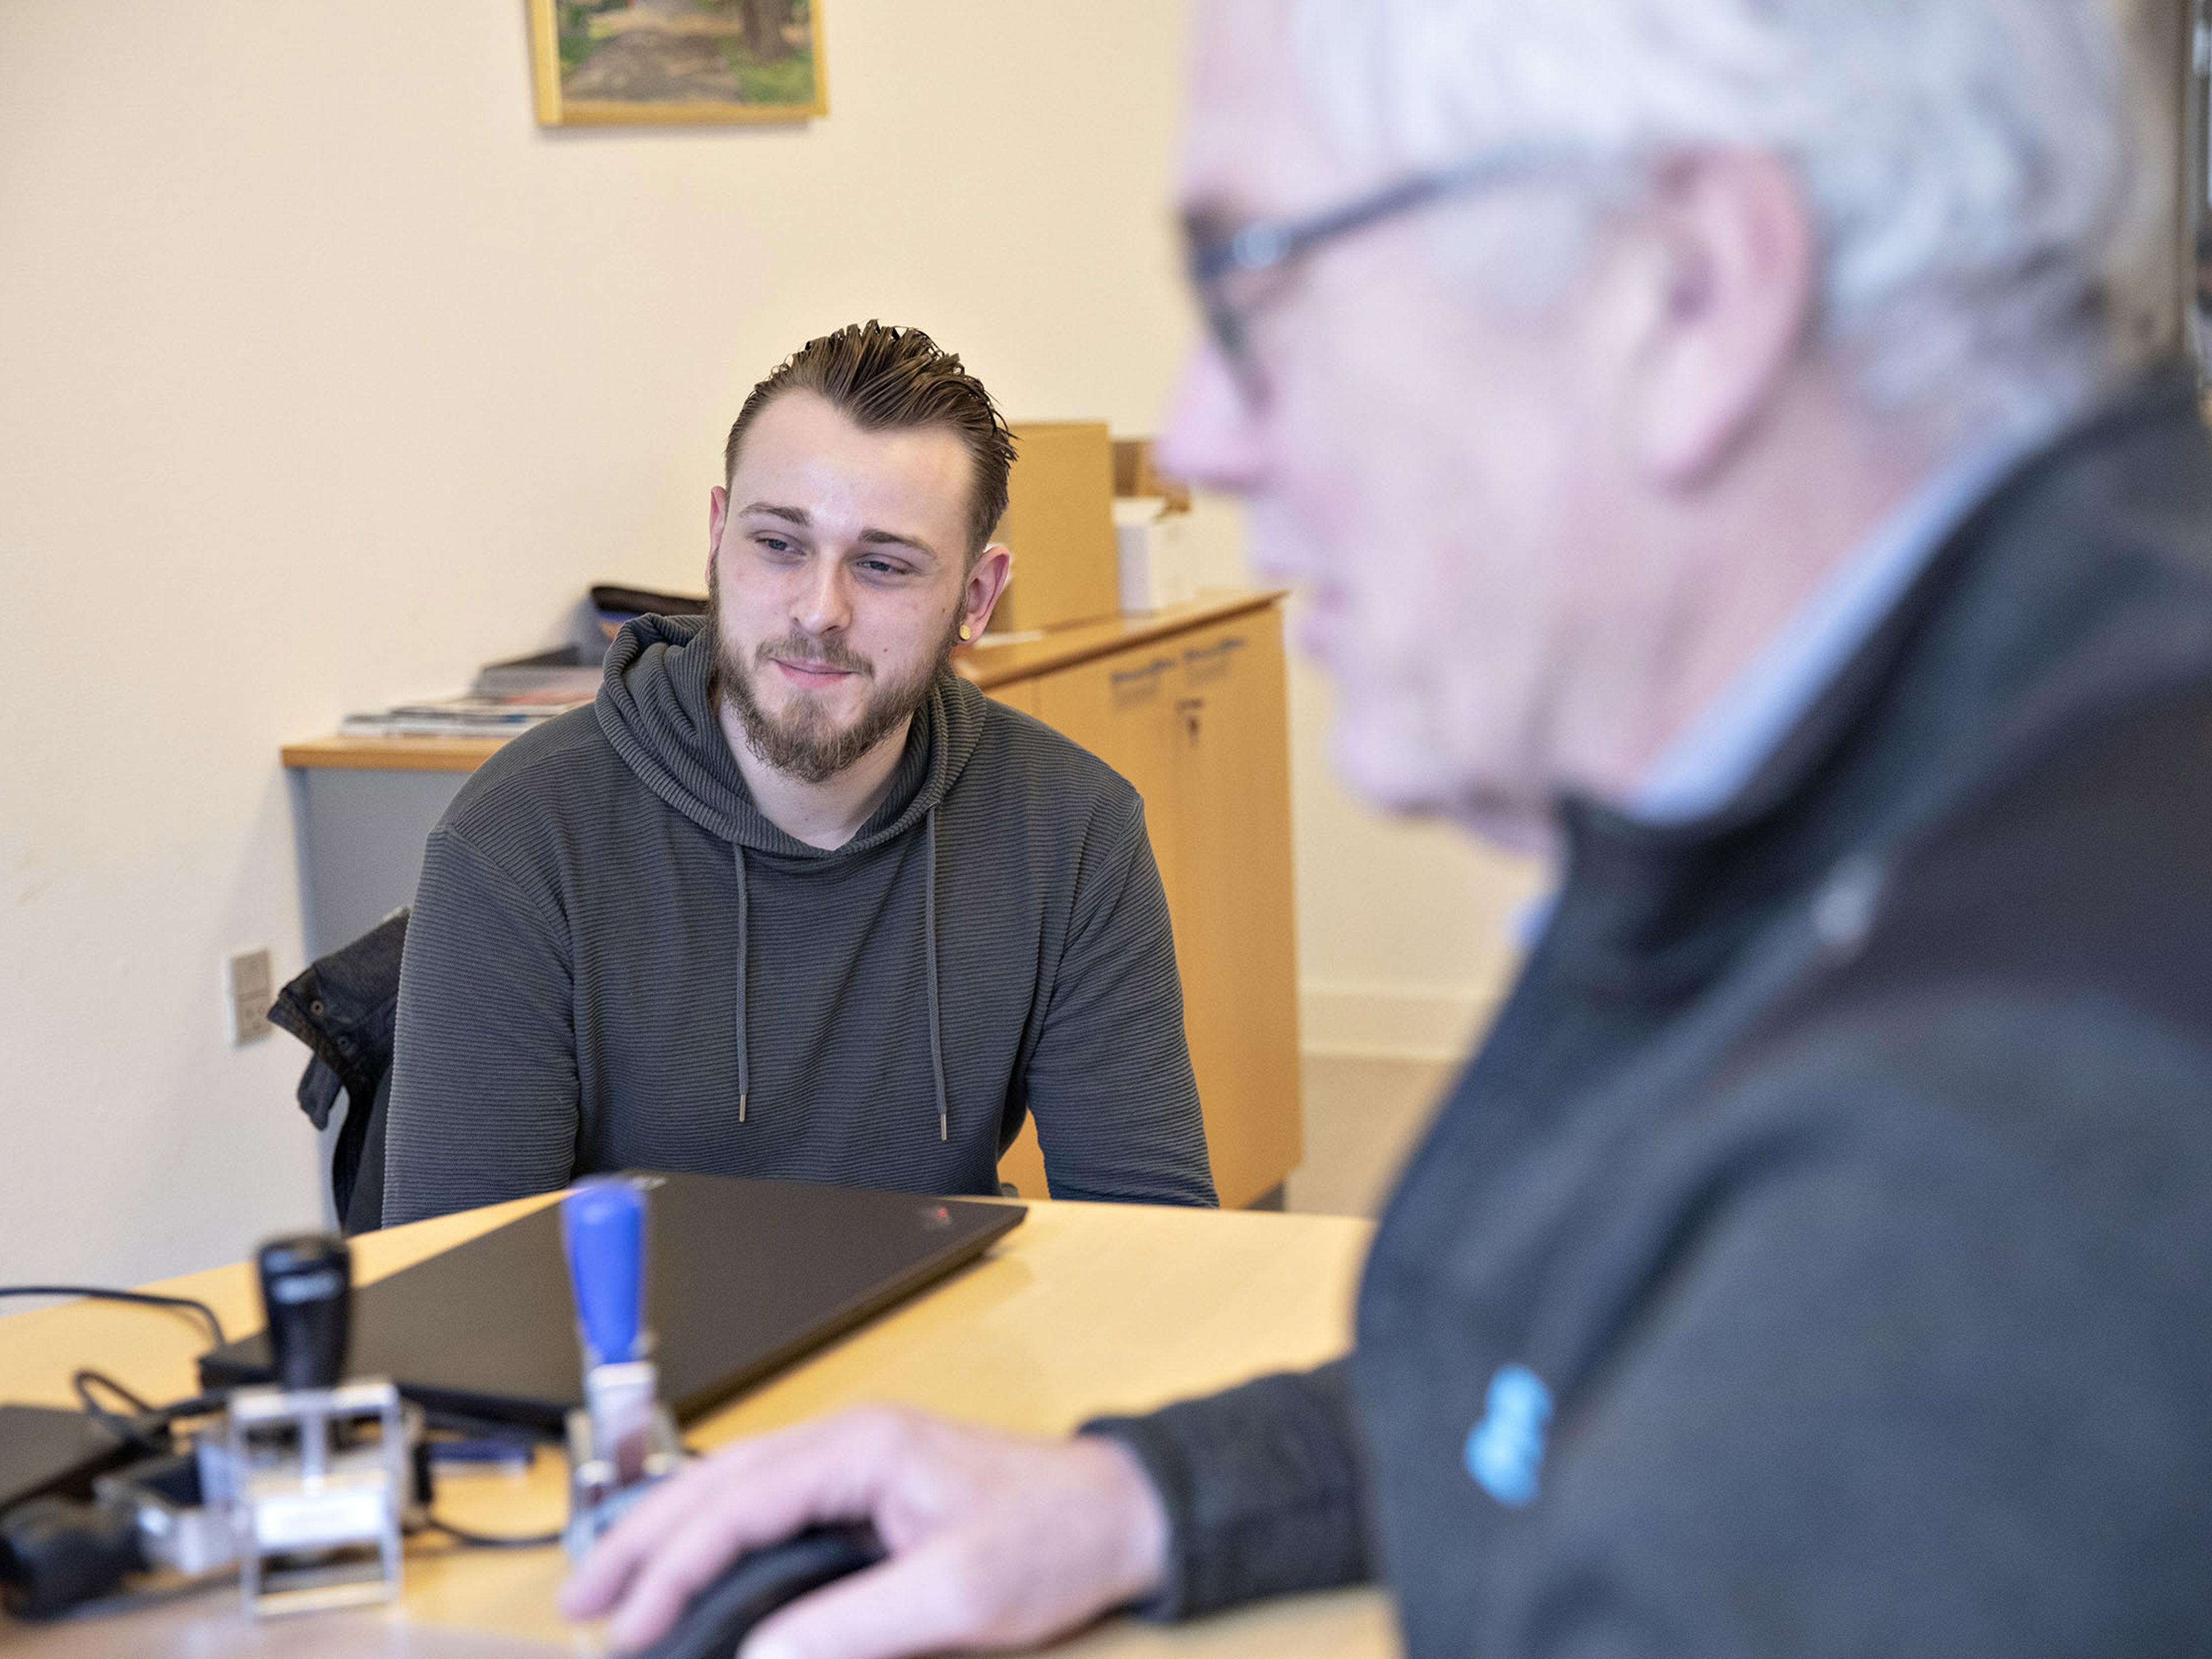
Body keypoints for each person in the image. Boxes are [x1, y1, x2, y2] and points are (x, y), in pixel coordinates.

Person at [562, 1, 2212, 1654]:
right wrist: (1137, 1498)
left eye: (1263, 282)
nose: (1204, 435)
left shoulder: (2022, 1108)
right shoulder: (1927, 788)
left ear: (1695, 291)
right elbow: (1568, 1367)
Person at [382, 323, 1216, 1225]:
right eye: (780, 545)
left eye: (884, 565)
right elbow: (458, 1276)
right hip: (636, 1323)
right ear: (717, 539)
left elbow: (1156, 1235)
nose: (821, 612)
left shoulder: (1072, 827)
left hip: (945, 1310)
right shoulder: (518, 839)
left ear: (976, 598)